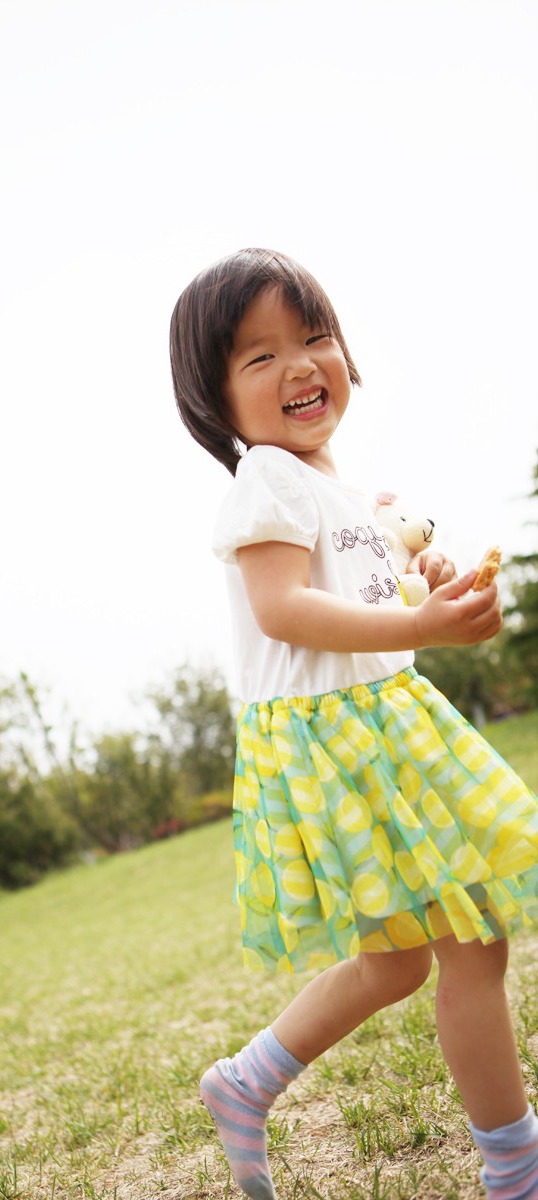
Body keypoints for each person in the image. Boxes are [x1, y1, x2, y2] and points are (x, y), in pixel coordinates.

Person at [169, 248, 538, 1200]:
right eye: (259, 357)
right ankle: (516, 1169)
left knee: (400, 959)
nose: (298, 365)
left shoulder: (340, 491)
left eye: (314, 337)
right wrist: (419, 624)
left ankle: (246, 1083)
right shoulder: (268, 482)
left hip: (377, 728)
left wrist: (429, 590)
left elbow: (369, 595)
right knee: (471, 941)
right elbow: (284, 609)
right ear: (215, 401)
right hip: (340, 742)